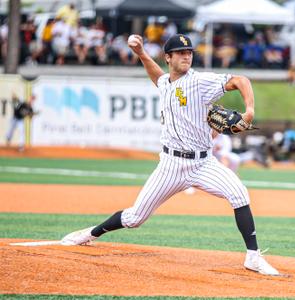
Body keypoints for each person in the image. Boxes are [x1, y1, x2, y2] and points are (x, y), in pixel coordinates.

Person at [61, 34, 280, 276]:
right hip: (170, 165)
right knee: (135, 218)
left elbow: (240, 79)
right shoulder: (166, 83)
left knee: (239, 194)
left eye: (189, 52)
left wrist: (249, 110)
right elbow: (158, 78)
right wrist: (141, 53)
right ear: (168, 58)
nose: (187, 56)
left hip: (203, 163)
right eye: (180, 53)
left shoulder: (199, 82)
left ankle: (253, 257)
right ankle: (91, 233)